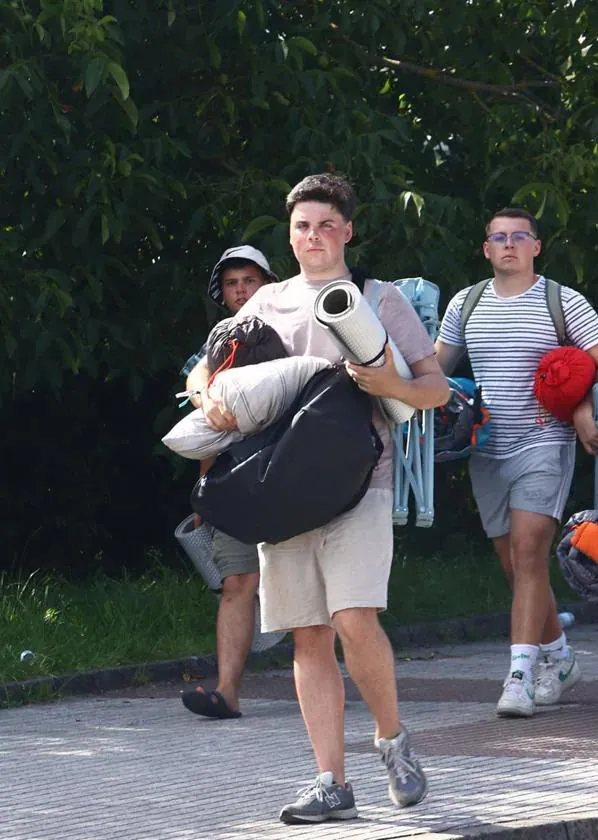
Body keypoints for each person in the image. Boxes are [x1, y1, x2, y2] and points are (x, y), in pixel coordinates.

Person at [186, 174, 449, 823]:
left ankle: (392, 744)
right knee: (309, 636)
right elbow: (203, 366)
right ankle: (330, 781)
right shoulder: (266, 302)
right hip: (283, 489)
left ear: (348, 231)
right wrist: (207, 398)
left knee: (354, 619)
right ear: (290, 233)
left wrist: (392, 383)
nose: (313, 236)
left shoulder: (377, 298)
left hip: (362, 482)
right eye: (302, 226)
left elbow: (437, 388)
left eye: (326, 225)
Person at [435, 208, 598, 718]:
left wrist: (584, 407)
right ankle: (561, 660)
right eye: (498, 237)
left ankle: (518, 678)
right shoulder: (466, 303)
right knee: (515, 566)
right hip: (484, 449)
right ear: (486, 249)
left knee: (527, 554)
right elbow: (434, 372)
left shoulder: (561, 300)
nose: (509, 245)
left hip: (545, 443)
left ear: (536, 247)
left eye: (519, 237)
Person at [180, 245, 278, 720]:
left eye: (250, 281)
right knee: (238, 581)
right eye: (232, 283)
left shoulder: (296, 324)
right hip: (234, 477)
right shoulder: (215, 343)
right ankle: (226, 692)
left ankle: (320, 683)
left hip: (293, 474)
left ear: (267, 283)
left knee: (306, 582)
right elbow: (206, 428)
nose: (241, 291)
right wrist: (205, 491)